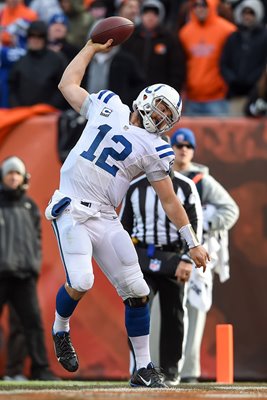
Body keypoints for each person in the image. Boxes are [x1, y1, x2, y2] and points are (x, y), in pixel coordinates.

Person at [44, 36, 209, 388]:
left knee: (137, 291)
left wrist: (191, 241)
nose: (163, 117)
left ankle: (144, 369)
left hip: (105, 216)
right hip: (71, 207)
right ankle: (60, 329)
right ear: (147, 97)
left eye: (170, 115)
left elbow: (170, 200)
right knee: (82, 281)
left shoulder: (156, 149)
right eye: (162, 107)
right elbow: (67, 84)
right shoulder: (110, 105)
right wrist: (89, 47)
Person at [119, 142, 203, 386]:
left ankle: (170, 370)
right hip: (142, 257)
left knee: (174, 313)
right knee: (137, 307)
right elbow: (124, 227)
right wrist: (126, 261)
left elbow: (196, 222)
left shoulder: (186, 186)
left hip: (174, 257)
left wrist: (187, 258)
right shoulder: (134, 188)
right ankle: (139, 367)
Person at [170, 128, 239, 383]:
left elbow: (230, 209)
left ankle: (189, 371)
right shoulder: (160, 174)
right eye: (178, 145)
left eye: (188, 145)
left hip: (195, 251)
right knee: (162, 310)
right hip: (167, 250)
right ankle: (157, 366)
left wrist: (202, 228)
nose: (183, 149)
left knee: (194, 309)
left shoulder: (201, 180)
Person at [0, 156, 58, 381]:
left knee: (33, 324)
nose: (13, 177)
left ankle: (41, 369)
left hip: (24, 277)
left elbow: (36, 239)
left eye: (17, 173)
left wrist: (33, 266)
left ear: (23, 178)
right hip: (1, 275)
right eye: (9, 173)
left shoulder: (30, 206)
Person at [178, 0, 236, 116]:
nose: (200, 8)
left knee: (220, 134)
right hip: (192, 98)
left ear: (212, 6)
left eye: (204, 5)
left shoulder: (228, 30)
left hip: (218, 98)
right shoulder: (185, 33)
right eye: (196, 5)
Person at [122, 0, 186, 92]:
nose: (150, 17)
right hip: (134, 93)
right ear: (141, 15)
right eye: (147, 13)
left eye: (154, 14)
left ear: (160, 16)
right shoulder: (131, 36)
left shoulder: (169, 38)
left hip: (160, 94)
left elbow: (177, 69)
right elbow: (124, 66)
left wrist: (172, 91)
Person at [220, 0, 267, 116]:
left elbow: (264, 65)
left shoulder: (264, 37)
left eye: (251, 13)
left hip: (258, 96)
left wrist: (252, 81)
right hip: (235, 94)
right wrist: (233, 81)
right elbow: (224, 63)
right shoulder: (233, 37)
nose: (247, 16)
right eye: (245, 13)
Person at [8, 20, 68, 110]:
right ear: (28, 37)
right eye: (32, 35)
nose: (35, 39)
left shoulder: (57, 60)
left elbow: (64, 86)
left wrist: (50, 107)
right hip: (23, 114)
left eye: (39, 36)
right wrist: (18, 108)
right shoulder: (20, 61)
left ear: (45, 38)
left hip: (49, 114)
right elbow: (12, 88)